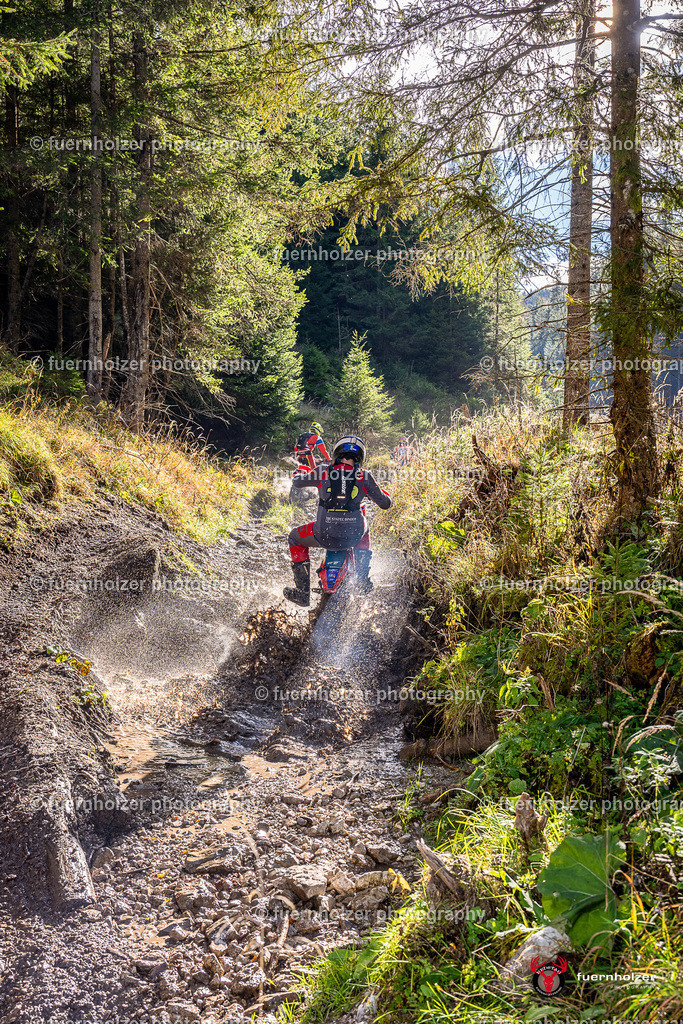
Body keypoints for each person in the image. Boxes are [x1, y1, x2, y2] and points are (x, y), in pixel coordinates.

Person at [284, 435, 392, 606]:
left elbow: (297, 482)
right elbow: (385, 504)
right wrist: (377, 491)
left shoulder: (322, 471)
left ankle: (302, 592)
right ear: (360, 458)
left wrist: (299, 473)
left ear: (336, 454)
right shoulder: (365, 476)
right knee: (365, 527)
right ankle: (363, 579)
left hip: (323, 534)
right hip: (353, 536)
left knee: (294, 537)